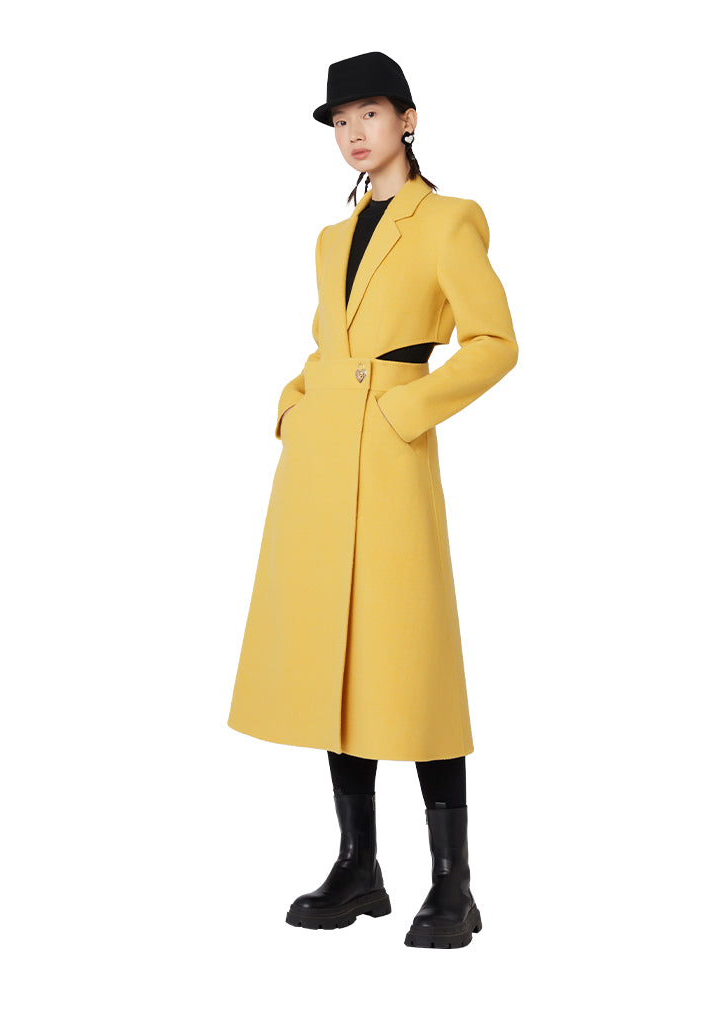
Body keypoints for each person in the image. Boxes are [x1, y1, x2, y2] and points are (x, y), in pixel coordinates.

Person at [227, 51, 518, 949]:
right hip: (320, 461)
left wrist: (403, 410)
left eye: (369, 114)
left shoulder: (449, 220)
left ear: (408, 120)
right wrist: (293, 403)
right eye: (340, 120)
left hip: (391, 457)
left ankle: (453, 884)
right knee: (335, 656)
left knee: (413, 658)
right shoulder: (331, 237)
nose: (353, 133)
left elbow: (495, 341)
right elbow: (329, 342)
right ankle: (360, 868)